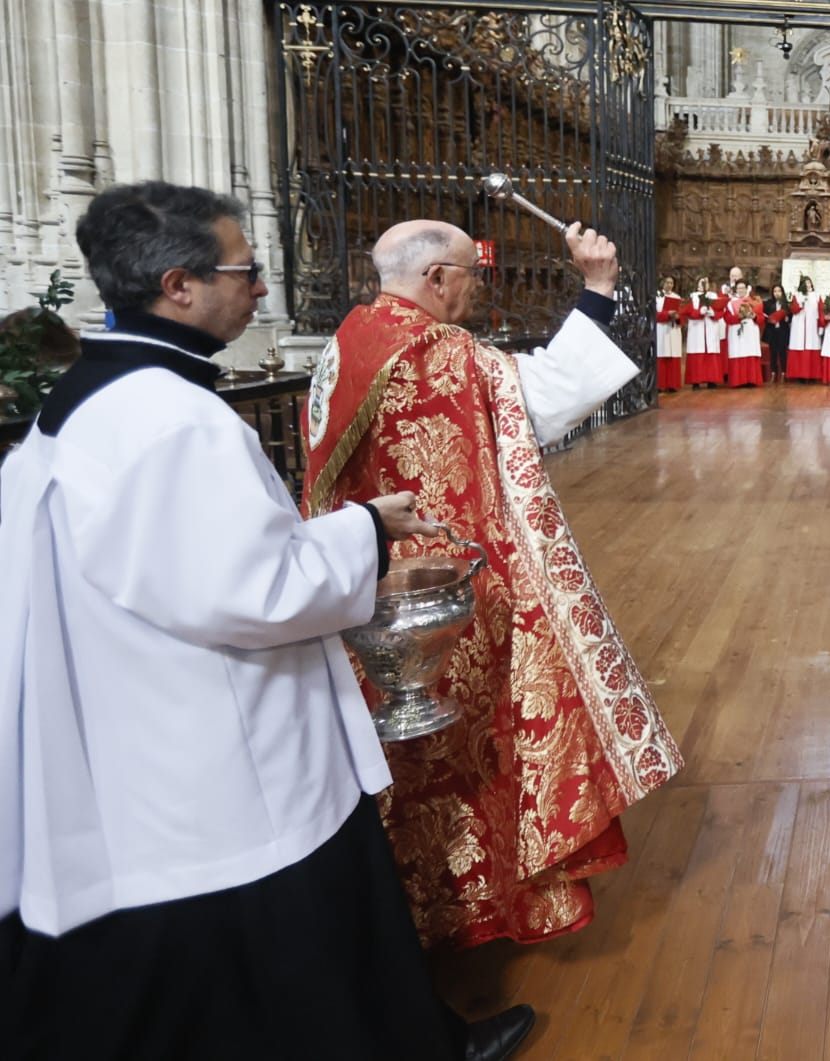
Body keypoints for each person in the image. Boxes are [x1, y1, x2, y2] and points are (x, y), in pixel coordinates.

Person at [0, 181, 533, 1060]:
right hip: (213, 732)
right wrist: (363, 529)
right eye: (244, 270)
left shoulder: (93, 397)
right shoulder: (172, 421)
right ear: (180, 284)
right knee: (297, 923)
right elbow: (261, 591)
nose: (258, 288)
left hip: (132, 705)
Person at [302, 218, 684, 948]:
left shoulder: (349, 338)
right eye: (473, 273)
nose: (480, 287)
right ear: (437, 278)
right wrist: (598, 288)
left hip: (363, 589)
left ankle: (400, 913)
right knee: (465, 749)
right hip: (437, 591)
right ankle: (458, 910)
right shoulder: (430, 349)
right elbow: (538, 399)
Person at [684, 276, 724, 389]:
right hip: (697, 328)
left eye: (706, 283)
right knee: (697, 352)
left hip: (711, 327)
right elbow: (687, 312)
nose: (703, 285)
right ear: (697, 284)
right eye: (701, 283)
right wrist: (699, 312)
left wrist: (713, 313)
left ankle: (712, 380)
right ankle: (695, 381)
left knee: (711, 352)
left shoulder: (714, 296)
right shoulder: (692, 296)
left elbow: (721, 312)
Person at [723, 280, 763, 388]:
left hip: (750, 331)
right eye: (739, 288)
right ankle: (738, 381)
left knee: (750, 352)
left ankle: (751, 380)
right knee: (738, 352)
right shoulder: (730, 303)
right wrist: (738, 317)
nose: (741, 290)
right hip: (737, 332)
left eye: (743, 288)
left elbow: (761, 318)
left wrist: (754, 316)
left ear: (747, 289)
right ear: (736, 289)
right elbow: (726, 318)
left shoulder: (754, 301)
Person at [787, 275, 823, 381]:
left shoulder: (817, 295)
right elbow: (794, 310)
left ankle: (812, 375)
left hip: (812, 326)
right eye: (805, 283)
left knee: (811, 347)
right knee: (799, 347)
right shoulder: (797, 295)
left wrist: (821, 325)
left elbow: (821, 310)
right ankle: (798, 375)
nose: (807, 285)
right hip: (799, 326)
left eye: (809, 282)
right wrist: (801, 302)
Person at [653, 275, 684, 392]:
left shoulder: (677, 297)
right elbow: (653, 314)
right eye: (667, 282)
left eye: (671, 283)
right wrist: (667, 314)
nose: (669, 285)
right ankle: (660, 385)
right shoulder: (656, 296)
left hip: (674, 329)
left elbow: (682, 315)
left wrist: (677, 316)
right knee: (662, 355)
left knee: (673, 355)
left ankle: (672, 384)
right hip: (661, 328)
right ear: (662, 283)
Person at [762, 283, 793, 382]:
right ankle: (773, 373)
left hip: (783, 331)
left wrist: (787, 318)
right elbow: (764, 315)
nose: (777, 293)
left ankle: (784, 373)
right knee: (773, 353)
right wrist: (769, 318)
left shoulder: (786, 304)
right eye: (775, 291)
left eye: (779, 291)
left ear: (782, 292)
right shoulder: (769, 303)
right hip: (772, 331)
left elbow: (791, 317)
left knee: (783, 353)